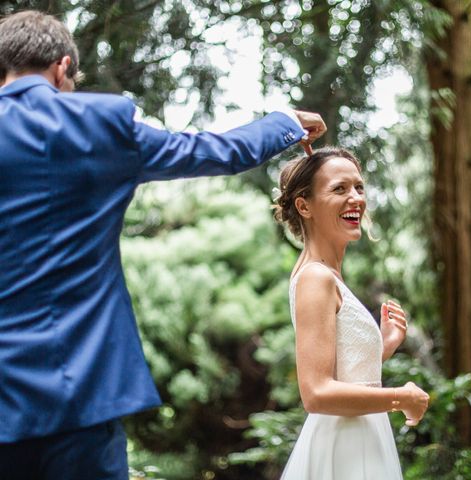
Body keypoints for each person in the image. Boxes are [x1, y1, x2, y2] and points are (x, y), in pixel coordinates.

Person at [0, 10, 326, 480]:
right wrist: (282, 123)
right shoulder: (101, 125)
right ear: (61, 67)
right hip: (82, 392)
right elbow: (212, 151)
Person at [273, 147, 430, 479]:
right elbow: (316, 393)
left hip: (361, 437)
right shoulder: (316, 277)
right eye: (339, 189)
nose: (356, 198)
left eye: (359, 187)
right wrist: (402, 397)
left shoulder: (324, 274)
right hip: (344, 446)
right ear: (304, 206)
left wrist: (381, 346)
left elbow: (341, 372)